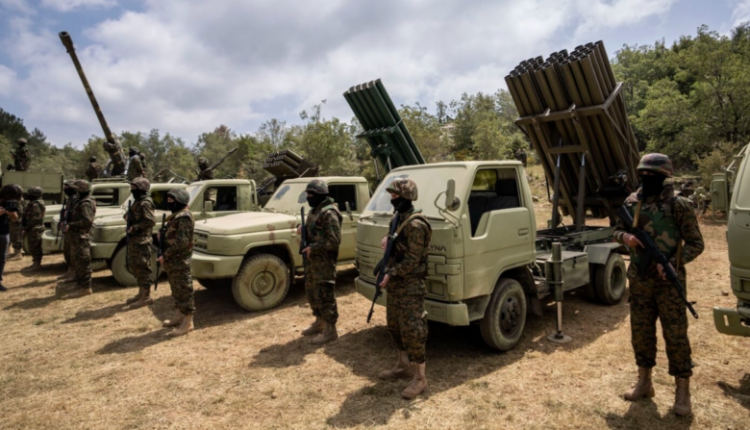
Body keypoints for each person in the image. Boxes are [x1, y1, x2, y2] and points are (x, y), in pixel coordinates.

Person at [614, 153, 704, 417]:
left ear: (665, 177)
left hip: (668, 285)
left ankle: (682, 392)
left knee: (676, 337)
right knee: (641, 335)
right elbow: (616, 231)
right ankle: (644, 383)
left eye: (652, 175)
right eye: (643, 174)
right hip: (640, 282)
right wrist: (626, 236)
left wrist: (675, 264)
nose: (647, 179)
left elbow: (697, 244)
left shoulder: (679, 205)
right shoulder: (631, 202)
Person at [377, 178, 432, 400]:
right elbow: (396, 242)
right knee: (394, 325)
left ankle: (420, 378)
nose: (392, 199)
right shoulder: (398, 219)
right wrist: (387, 239)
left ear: (406, 197)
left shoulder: (416, 224)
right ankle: (403, 365)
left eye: (395, 195)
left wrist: (391, 273)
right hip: (397, 284)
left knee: (413, 330)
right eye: (391, 195)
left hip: (410, 284)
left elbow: (412, 260)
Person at [299, 179, 342, 345]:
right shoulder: (315, 211)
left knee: (325, 294)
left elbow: (334, 240)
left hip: (324, 262)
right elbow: (315, 230)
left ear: (320, 195)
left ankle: (331, 330)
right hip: (312, 262)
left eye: (311, 194)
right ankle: (319, 322)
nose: (308, 197)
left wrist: (314, 248)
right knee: (312, 292)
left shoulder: (329, 213)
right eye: (308, 194)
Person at [158, 188, 195, 336]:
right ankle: (179, 316)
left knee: (184, 290)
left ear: (180, 201)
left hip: (180, 261)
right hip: (174, 261)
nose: (169, 203)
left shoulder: (184, 217)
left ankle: (188, 323)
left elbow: (181, 242)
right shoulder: (176, 216)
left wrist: (165, 256)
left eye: (172, 200)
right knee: (176, 289)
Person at [60, 180, 96, 299]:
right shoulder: (79, 201)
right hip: (76, 237)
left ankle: (86, 288)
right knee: (77, 261)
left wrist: (72, 224)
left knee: (83, 262)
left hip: (81, 237)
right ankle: (81, 284)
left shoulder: (85, 203)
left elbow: (87, 221)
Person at [123, 178, 156, 309]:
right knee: (135, 266)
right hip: (134, 240)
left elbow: (150, 221)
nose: (132, 190)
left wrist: (135, 227)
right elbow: (128, 215)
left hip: (142, 240)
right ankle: (141, 293)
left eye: (134, 188)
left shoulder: (145, 203)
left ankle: (146, 296)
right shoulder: (137, 202)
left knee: (142, 267)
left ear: (142, 189)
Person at [0, 185, 22, 291]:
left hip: (3, 233)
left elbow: (14, 218)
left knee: (1, 259)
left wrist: (10, 213)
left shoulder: (10, 204)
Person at [56, 181, 78, 282]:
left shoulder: (75, 199)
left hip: (73, 229)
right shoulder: (69, 199)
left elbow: (75, 215)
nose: (65, 189)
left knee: (72, 252)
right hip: (68, 228)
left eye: (66, 187)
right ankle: (70, 270)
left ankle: (74, 272)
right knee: (67, 251)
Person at [21, 187, 45, 271]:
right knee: (32, 246)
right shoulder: (33, 203)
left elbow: (35, 218)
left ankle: (37, 265)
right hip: (33, 228)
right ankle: (35, 263)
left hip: (35, 228)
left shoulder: (35, 205)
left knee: (35, 247)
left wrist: (26, 227)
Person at [7, 189, 24, 262]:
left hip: (16, 222)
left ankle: (18, 254)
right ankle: (15, 253)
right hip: (14, 221)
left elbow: (19, 212)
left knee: (16, 237)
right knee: (13, 237)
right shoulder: (16, 199)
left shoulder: (17, 201)